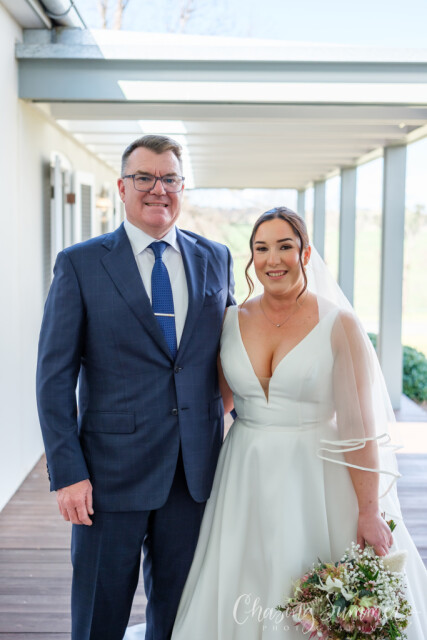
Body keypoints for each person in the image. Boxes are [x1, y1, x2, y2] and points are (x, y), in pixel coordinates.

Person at [171, 207, 427, 639]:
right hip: (244, 474)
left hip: (316, 476)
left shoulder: (339, 324)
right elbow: (219, 400)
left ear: (305, 253)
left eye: (284, 246)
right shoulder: (230, 320)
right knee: (244, 579)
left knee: (316, 583)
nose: (273, 259)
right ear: (251, 258)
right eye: (261, 248)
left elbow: (358, 427)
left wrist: (369, 510)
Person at [36, 134, 235, 640]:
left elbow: (232, 356)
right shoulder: (80, 264)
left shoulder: (216, 258)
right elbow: (54, 379)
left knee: (179, 621)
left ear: (182, 187)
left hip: (194, 477)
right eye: (144, 177)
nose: (157, 189)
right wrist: (68, 473)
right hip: (107, 479)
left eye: (169, 178)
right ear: (122, 187)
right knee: (98, 620)